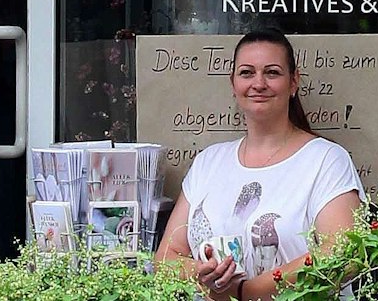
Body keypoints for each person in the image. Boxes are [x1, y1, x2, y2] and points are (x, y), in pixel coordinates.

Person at [156, 28, 364, 301]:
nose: (259, 83)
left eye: (272, 72)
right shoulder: (208, 162)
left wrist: (247, 292)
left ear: (294, 83)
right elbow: (165, 259)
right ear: (233, 84)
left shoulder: (326, 160)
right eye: (246, 73)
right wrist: (201, 273)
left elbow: (343, 256)